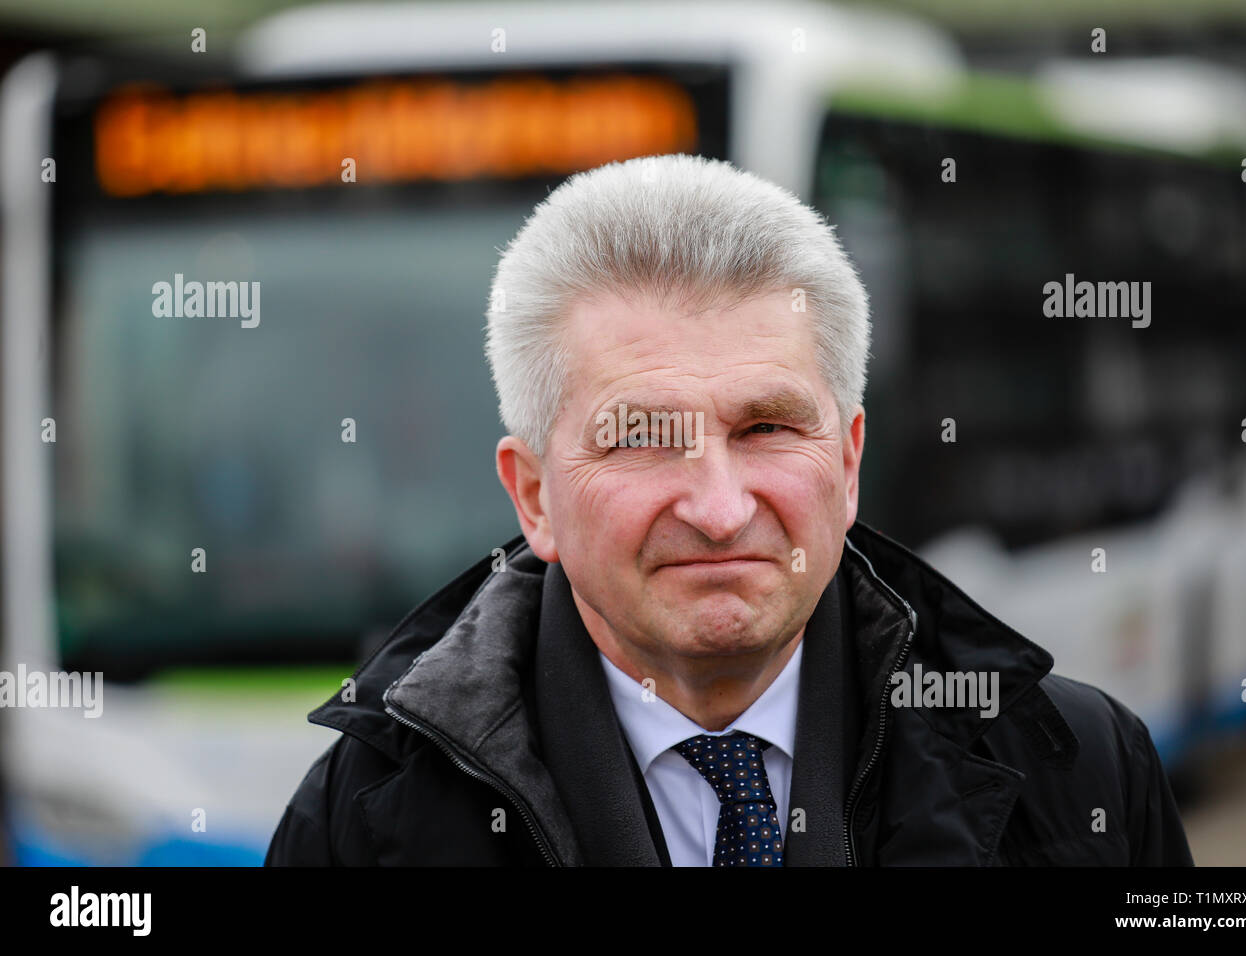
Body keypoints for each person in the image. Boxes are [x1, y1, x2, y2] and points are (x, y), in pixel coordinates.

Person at [265, 154, 1193, 866]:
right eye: (639, 437)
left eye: (766, 427)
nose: (716, 508)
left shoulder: (1082, 771)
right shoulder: (360, 824)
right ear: (535, 496)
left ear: (848, 461)